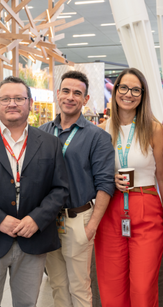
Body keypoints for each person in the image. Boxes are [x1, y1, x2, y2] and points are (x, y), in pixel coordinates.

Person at [0, 76, 69, 307]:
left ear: (30, 103)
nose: (12, 103)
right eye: (6, 98)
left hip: (33, 239)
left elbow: (60, 189)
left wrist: (36, 219)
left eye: (19, 98)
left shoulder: (50, 143)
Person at [39, 70, 116, 307]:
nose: (70, 97)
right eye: (66, 91)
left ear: (86, 99)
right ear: (58, 95)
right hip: (47, 220)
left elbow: (105, 184)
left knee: (79, 287)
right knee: (58, 285)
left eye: (77, 93)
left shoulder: (97, 137)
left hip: (78, 219)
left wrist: (91, 225)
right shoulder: (41, 132)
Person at [95, 68, 163, 306]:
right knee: (111, 283)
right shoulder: (102, 130)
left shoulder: (154, 129)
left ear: (143, 94)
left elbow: (162, 175)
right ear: (115, 91)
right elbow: (95, 173)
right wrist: (109, 179)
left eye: (136, 89)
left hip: (146, 204)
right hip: (111, 207)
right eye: (123, 87)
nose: (129, 94)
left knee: (143, 286)